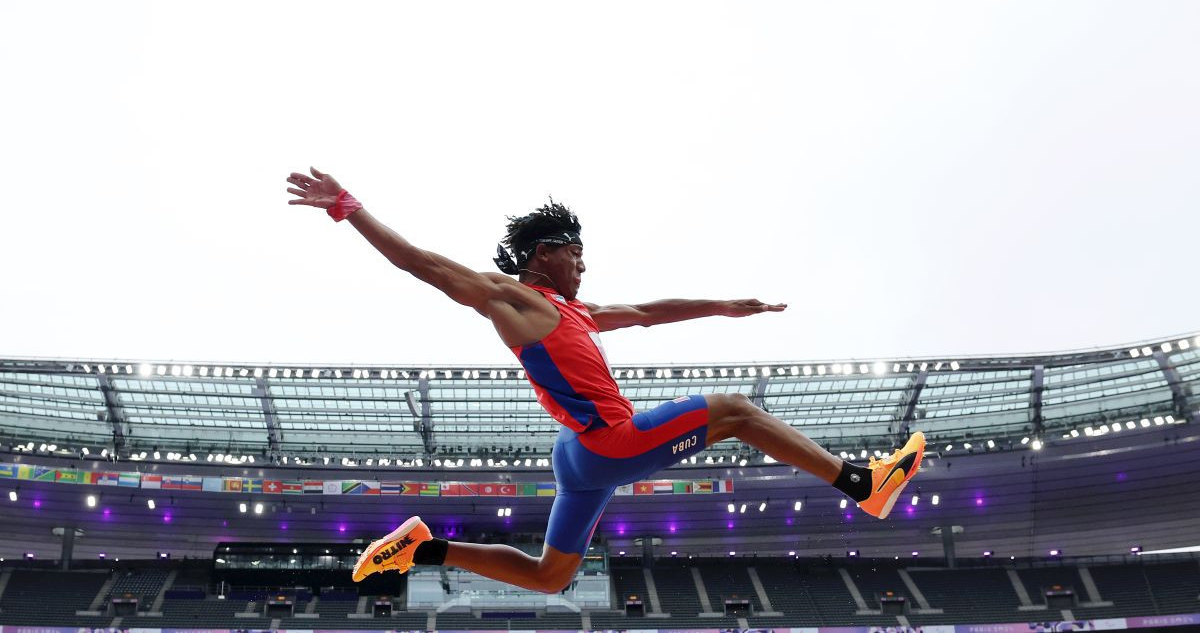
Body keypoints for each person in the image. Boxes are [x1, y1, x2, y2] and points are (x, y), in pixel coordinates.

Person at [285, 167, 925, 593]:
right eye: (575, 254)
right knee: (733, 409)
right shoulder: (517, 299)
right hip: (603, 442)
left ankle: (424, 550)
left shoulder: (576, 311)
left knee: (550, 576)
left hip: (577, 455)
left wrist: (726, 306)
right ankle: (862, 484)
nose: (584, 266)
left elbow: (649, 314)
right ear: (544, 254)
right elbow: (421, 263)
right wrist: (349, 208)